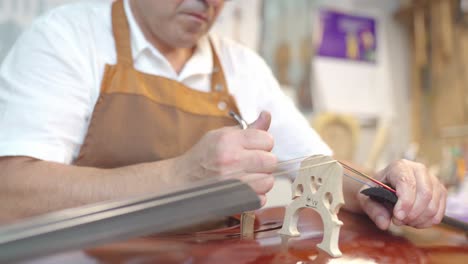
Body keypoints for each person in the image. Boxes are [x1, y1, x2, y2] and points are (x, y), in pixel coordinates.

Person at [0, 0, 446, 232]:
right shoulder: (66, 39)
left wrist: (376, 187)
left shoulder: (241, 67)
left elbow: (317, 168)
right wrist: (179, 175)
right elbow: (11, 195)